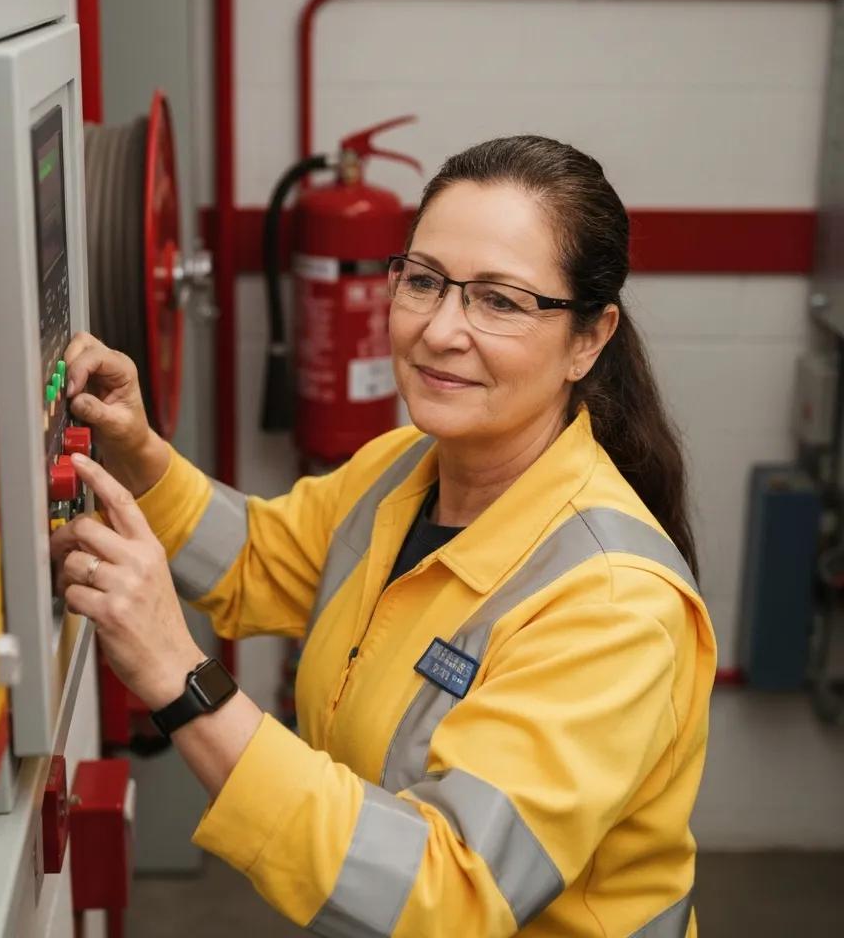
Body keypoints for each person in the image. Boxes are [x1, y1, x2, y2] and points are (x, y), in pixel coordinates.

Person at [52, 135, 716, 937]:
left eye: (499, 300)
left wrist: (178, 675)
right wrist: (139, 453)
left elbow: (451, 892)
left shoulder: (613, 606)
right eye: (425, 282)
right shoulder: (403, 467)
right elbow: (263, 560)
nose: (440, 330)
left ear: (588, 338)